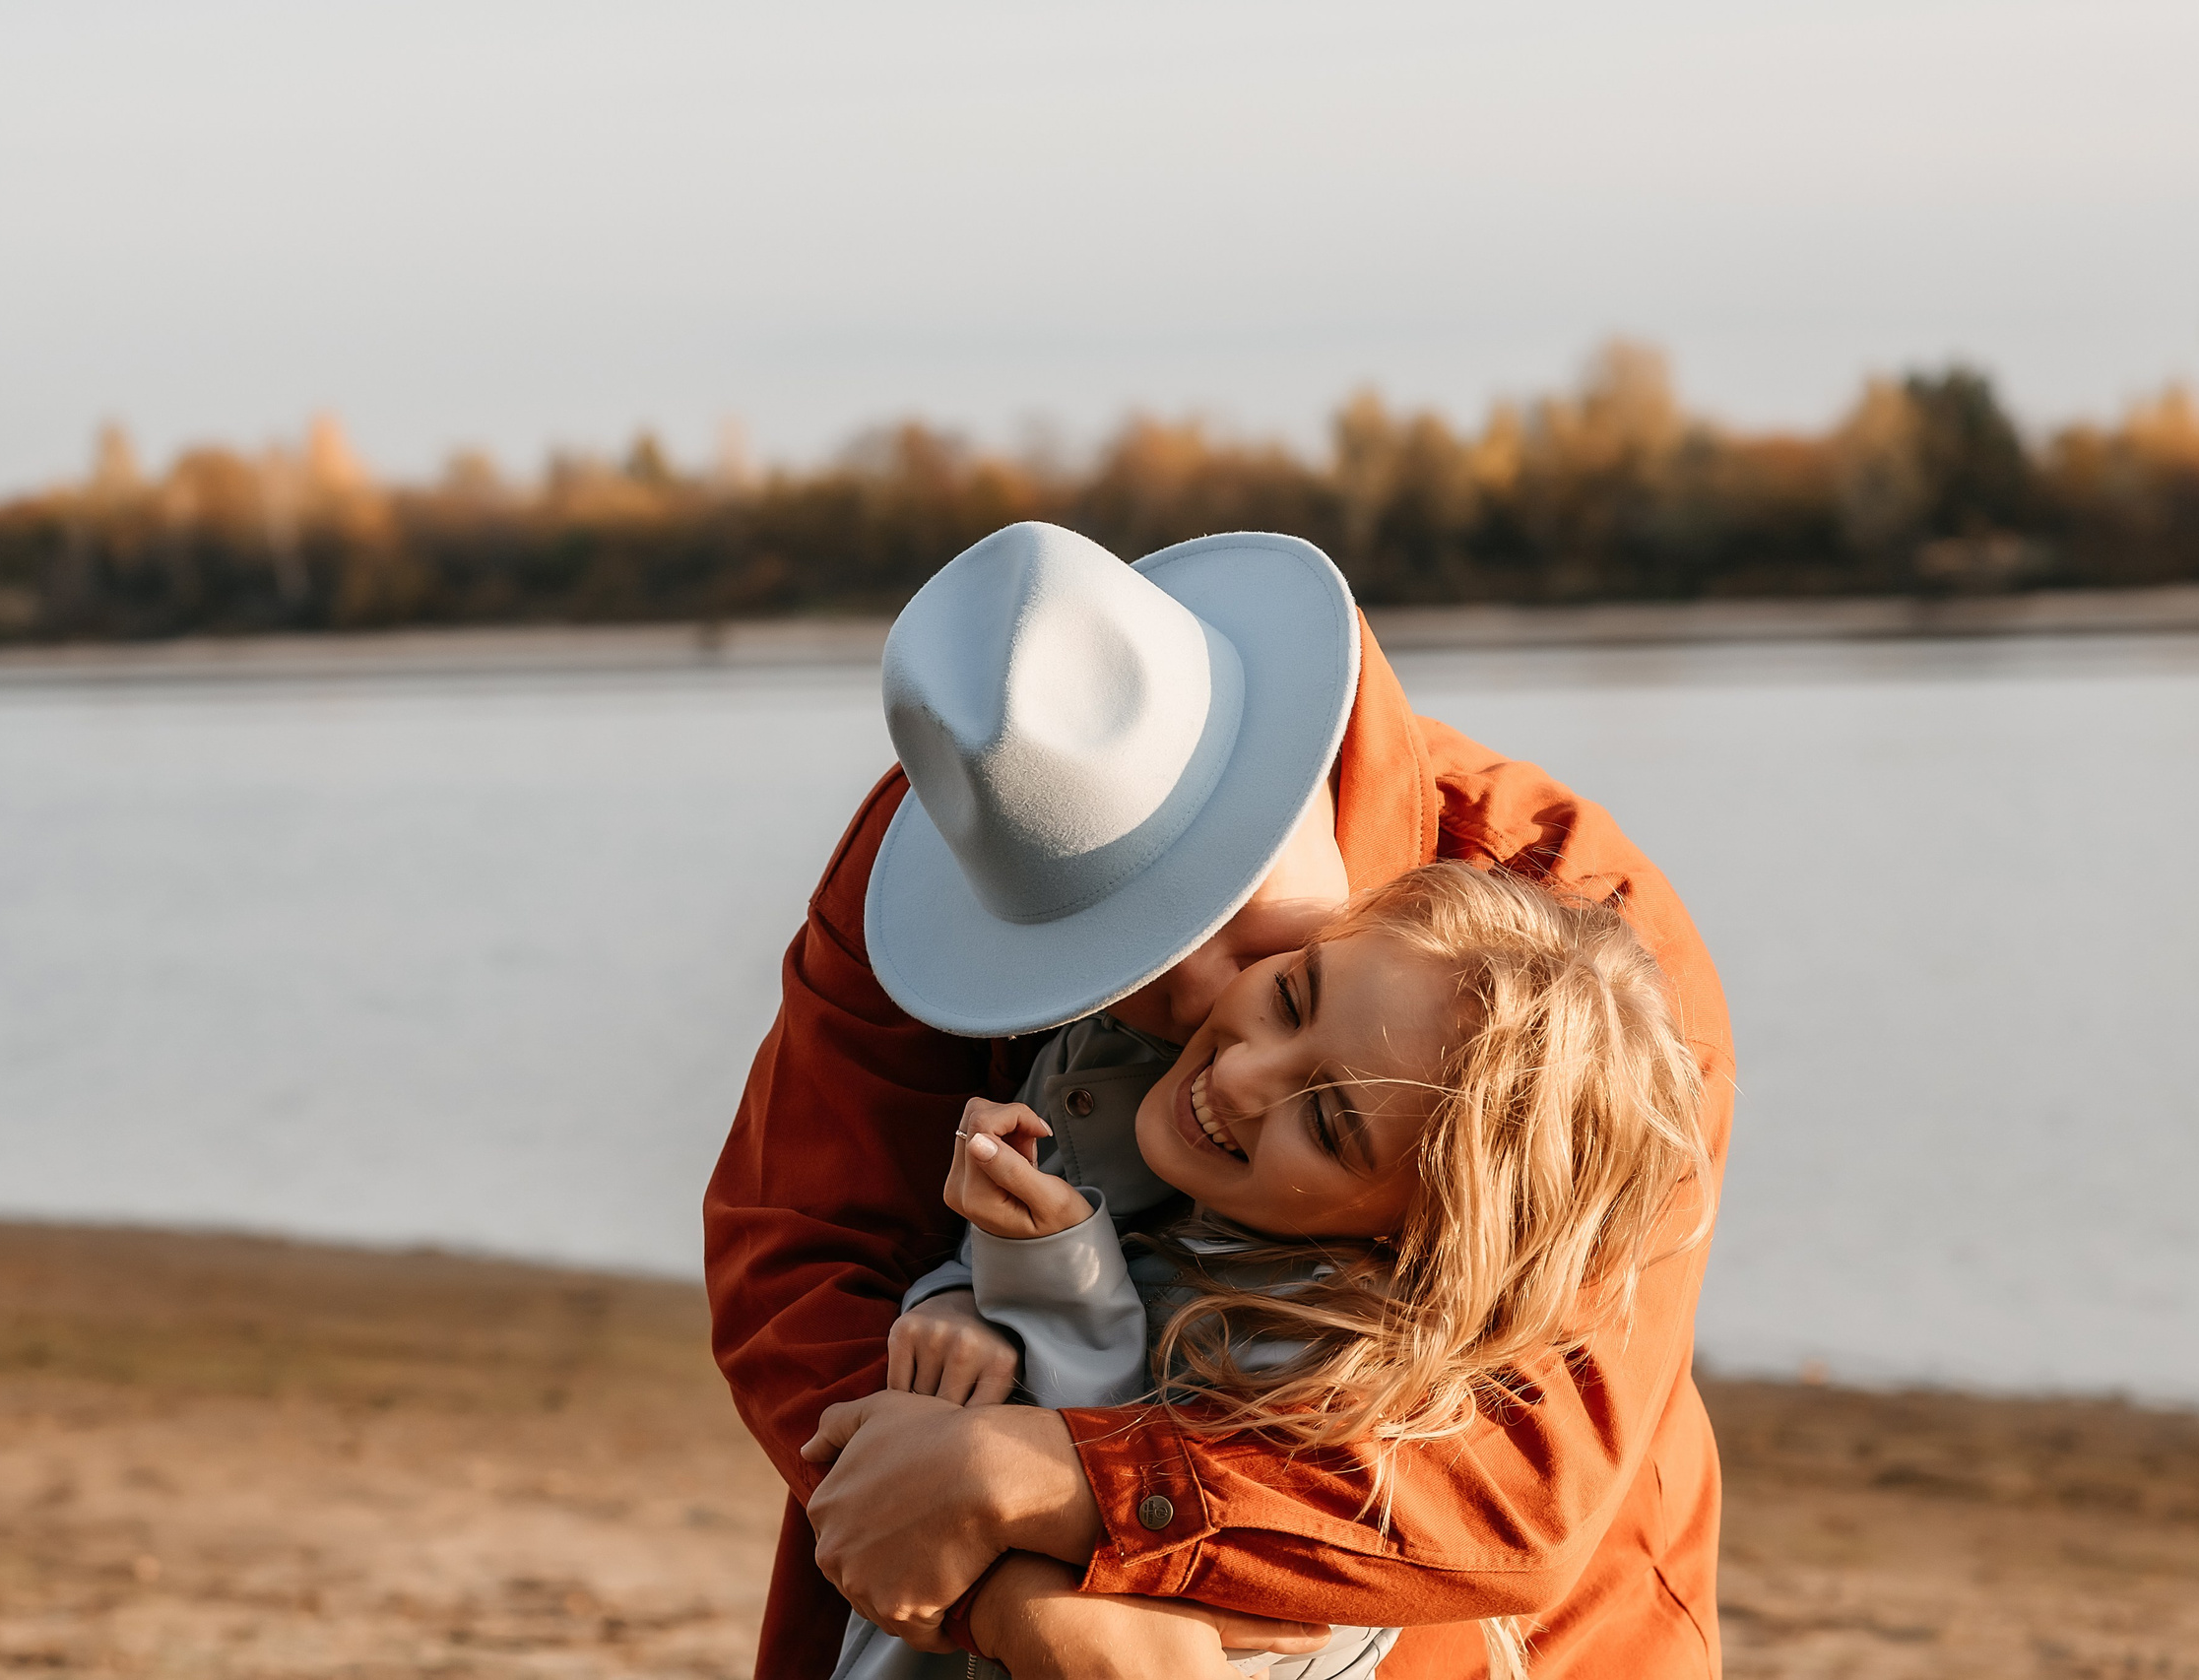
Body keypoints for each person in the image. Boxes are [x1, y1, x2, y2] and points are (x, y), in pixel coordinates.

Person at [704, 522, 1735, 1679]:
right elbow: (797, 1244)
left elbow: (1520, 1478)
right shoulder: (972, 820)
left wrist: (1053, 1479)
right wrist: (1012, 1592)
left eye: (1228, 908)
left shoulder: (1584, 959)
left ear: (1298, 757)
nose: (1205, 1004)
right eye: (1111, 957)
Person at [827, 860, 1712, 1680]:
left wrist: (1049, 1281)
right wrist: (960, 1293)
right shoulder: (1109, 1086)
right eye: (1292, 996)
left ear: (1421, 1238)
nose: (1243, 1074)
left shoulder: (1351, 1398)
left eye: (1327, 1122)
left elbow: (1138, 1612)